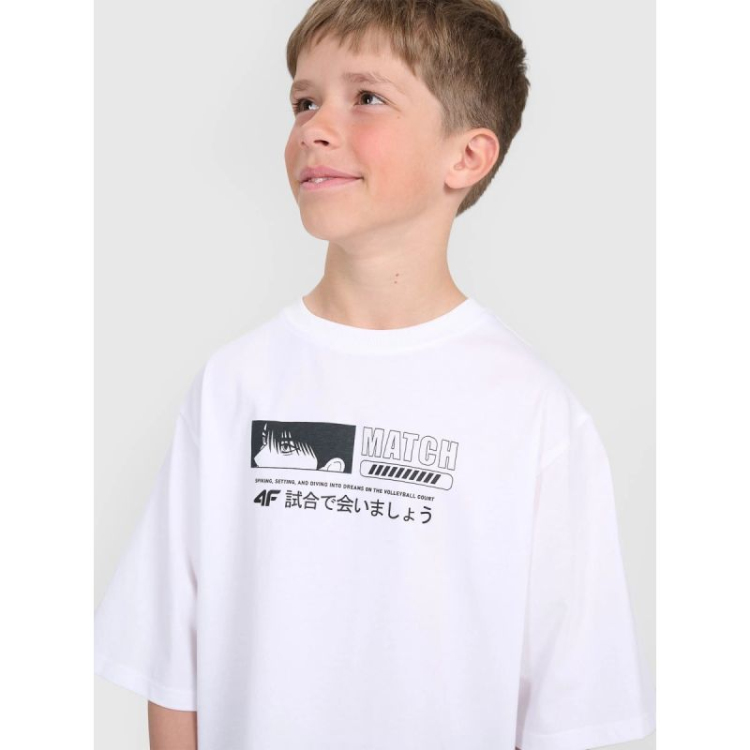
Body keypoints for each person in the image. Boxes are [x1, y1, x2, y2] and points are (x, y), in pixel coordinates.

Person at [94, 0, 657, 748]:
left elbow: (573, 708)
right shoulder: (235, 384)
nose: (314, 128)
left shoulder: (533, 414)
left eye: (366, 97)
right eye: (304, 102)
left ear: (467, 157)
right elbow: (171, 667)